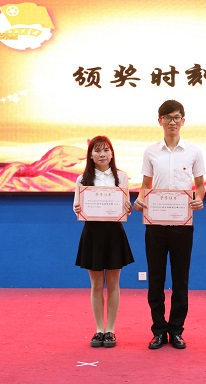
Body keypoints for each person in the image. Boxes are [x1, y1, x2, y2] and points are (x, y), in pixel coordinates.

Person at [133, 100, 206, 350]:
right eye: (167, 117)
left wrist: (198, 199)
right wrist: (140, 199)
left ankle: (176, 331)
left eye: (176, 117)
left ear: (183, 121)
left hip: (183, 225)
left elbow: (200, 185)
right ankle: (158, 330)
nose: (172, 122)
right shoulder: (150, 152)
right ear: (160, 121)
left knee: (180, 280)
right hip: (155, 225)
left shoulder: (194, 152)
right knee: (155, 279)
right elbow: (145, 185)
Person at [73, 135, 135, 348]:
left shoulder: (121, 177)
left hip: (114, 233)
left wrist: (128, 208)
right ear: (90, 155)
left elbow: (125, 205)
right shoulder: (82, 180)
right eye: (97, 150)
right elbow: (76, 207)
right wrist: (78, 208)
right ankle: (99, 329)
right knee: (97, 284)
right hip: (92, 233)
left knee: (114, 283)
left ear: (112, 153)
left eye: (106, 150)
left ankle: (111, 330)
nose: (102, 154)